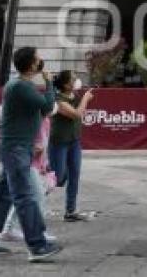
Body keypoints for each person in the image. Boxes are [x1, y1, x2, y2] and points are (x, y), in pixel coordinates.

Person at [0, 46, 62, 262]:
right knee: (25, 196)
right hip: (15, 149)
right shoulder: (20, 86)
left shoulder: (22, 85)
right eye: (39, 59)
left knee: (3, 197)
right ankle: (37, 245)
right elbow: (47, 107)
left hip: (18, 148)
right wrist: (49, 83)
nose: (41, 62)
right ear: (31, 64)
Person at [0, 109, 56, 242]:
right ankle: (37, 234)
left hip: (34, 162)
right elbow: (30, 143)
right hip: (26, 161)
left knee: (22, 195)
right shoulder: (33, 120)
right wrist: (33, 149)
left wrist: (44, 164)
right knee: (37, 195)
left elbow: (44, 144)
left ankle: (9, 229)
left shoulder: (45, 121)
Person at [49, 71, 94, 222]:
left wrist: (83, 99)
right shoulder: (58, 99)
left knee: (75, 174)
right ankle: (34, 197)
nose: (76, 81)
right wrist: (86, 99)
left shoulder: (74, 96)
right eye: (73, 79)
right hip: (59, 142)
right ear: (66, 84)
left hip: (74, 141)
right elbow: (76, 114)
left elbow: (79, 112)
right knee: (59, 178)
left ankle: (71, 211)